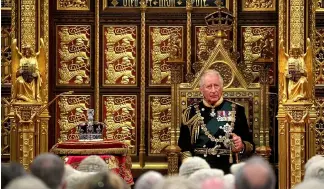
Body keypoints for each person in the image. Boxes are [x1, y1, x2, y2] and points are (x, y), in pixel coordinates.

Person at [178, 69, 254, 173]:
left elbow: (250, 145)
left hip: (227, 168)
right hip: (199, 169)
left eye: (216, 85)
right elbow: (184, 147)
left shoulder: (236, 110)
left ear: (222, 87)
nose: (214, 90)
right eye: (209, 86)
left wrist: (241, 146)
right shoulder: (190, 113)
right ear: (201, 89)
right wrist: (190, 169)